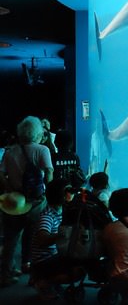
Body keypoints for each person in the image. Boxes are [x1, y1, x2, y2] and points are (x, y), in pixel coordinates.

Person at [0, 116, 53, 287]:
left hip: (15, 201)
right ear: (38, 133)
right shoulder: (42, 150)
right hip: (36, 202)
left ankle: (6, 273)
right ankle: (30, 267)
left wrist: (9, 187)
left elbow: (1, 173)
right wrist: (46, 186)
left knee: (10, 239)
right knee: (35, 236)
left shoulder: (10, 151)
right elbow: (49, 173)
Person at [30, 178, 79, 300]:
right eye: (68, 191)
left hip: (53, 255)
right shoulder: (47, 216)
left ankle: (47, 279)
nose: (71, 193)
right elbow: (43, 239)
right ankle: (43, 281)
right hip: (43, 260)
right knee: (76, 271)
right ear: (59, 194)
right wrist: (62, 234)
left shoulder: (59, 210)